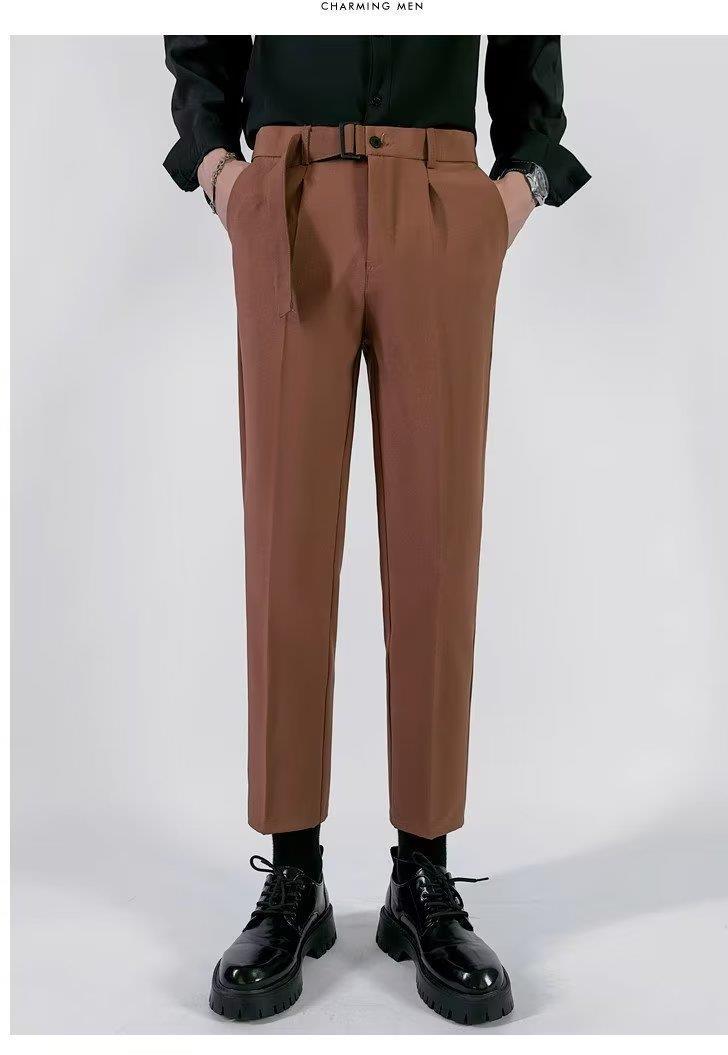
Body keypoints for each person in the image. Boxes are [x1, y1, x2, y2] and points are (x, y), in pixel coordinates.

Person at [163, 34, 589, 1025]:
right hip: (288, 191)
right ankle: (294, 872)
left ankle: (422, 874)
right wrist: (225, 175)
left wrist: (507, 197)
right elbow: (201, 46)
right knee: (286, 543)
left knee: (438, 547)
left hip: (439, 198)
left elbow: (530, 54)